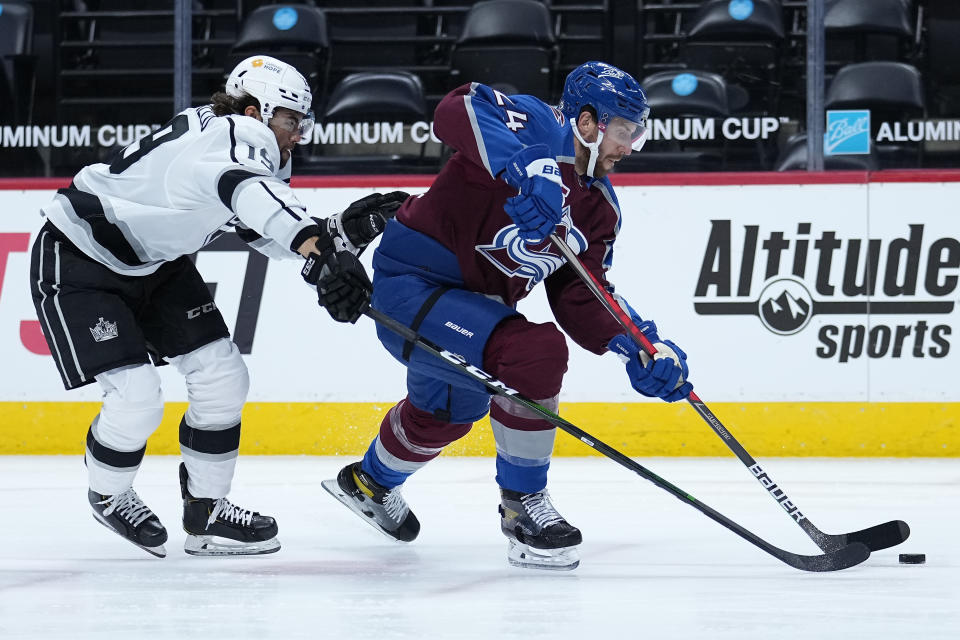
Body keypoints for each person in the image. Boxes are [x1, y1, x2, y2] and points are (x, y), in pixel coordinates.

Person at [320, 61, 694, 570]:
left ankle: (367, 482)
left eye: (636, 135)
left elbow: (581, 293)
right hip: (410, 286)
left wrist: (639, 344)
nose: (629, 147)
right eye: (624, 132)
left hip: (476, 310)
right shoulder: (537, 124)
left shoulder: (597, 208)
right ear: (588, 123)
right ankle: (524, 508)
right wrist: (526, 167)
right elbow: (458, 107)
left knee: (446, 415)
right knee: (534, 353)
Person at [28, 55, 399, 558]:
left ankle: (207, 511)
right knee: (136, 397)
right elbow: (248, 193)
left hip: (157, 264)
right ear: (255, 111)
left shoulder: (218, 143)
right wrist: (321, 248)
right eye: (291, 121)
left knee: (223, 377)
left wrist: (338, 234)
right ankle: (109, 494)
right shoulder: (235, 136)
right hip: (80, 259)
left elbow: (259, 225)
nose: (296, 137)